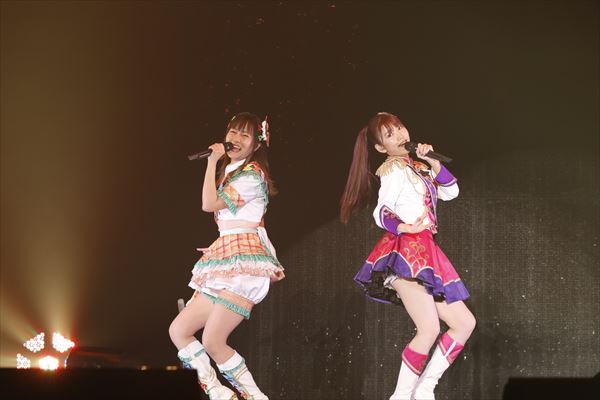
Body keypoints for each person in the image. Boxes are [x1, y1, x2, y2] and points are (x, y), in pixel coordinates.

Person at [340, 112, 476, 400]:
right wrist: (404, 227)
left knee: (464, 323)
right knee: (428, 329)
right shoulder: (393, 170)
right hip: (405, 253)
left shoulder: (419, 167)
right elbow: (381, 211)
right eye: (390, 135)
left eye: (400, 128)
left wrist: (434, 163)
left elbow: (451, 192)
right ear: (381, 148)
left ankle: (424, 389)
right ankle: (401, 396)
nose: (400, 135)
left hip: (427, 252)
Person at [169, 112, 284, 400]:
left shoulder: (252, 174)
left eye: (245, 135)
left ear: (256, 144)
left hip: (244, 264)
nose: (236, 139)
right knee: (179, 330)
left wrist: (211, 162)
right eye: (233, 132)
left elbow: (209, 204)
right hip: (226, 257)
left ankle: (256, 397)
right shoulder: (233, 171)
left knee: (213, 340)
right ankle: (219, 393)